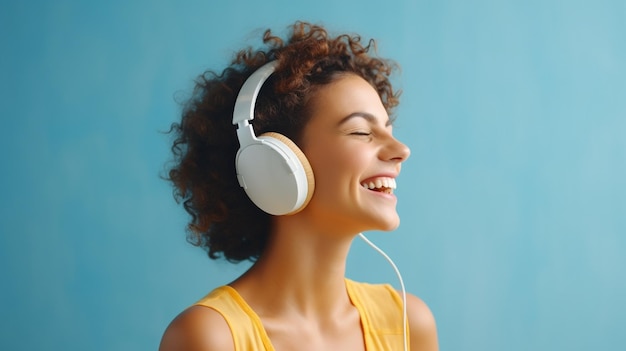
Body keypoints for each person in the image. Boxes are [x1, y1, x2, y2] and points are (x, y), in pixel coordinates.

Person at [159, 21, 438, 351]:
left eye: (389, 129)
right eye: (362, 132)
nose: (401, 150)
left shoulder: (406, 322)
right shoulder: (210, 337)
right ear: (276, 164)